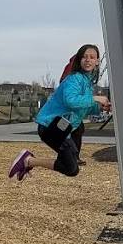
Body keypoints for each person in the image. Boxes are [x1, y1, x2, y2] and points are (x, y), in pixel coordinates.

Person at [9, 44, 109, 181]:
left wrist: (99, 108)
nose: (88, 60)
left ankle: (28, 161)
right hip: (50, 126)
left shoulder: (86, 83)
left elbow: (81, 107)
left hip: (62, 127)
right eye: (84, 57)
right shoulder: (74, 79)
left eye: (92, 57)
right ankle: (28, 160)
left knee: (71, 165)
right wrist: (95, 98)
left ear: (97, 61)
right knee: (71, 168)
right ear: (79, 60)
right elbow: (71, 101)